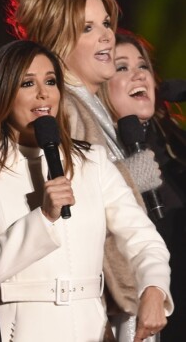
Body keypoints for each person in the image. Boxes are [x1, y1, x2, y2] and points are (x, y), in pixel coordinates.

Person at [4, 0, 163, 340]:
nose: (107, 36)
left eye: (106, 23)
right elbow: (76, 218)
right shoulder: (66, 112)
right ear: (59, 42)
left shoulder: (95, 109)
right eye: (88, 28)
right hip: (99, 308)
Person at [0, 39, 173, 342]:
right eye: (28, 82)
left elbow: (144, 240)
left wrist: (155, 289)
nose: (43, 93)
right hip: (19, 331)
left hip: (90, 329)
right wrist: (43, 218)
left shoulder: (91, 162)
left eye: (51, 81)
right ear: (3, 91)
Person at [102, 30, 186, 340]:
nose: (138, 74)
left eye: (143, 66)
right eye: (122, 67)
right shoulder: (100, 158)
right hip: (147, 316)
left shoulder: (175, 142)